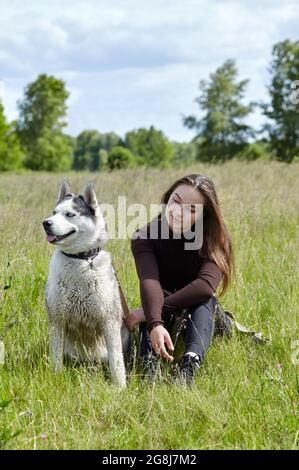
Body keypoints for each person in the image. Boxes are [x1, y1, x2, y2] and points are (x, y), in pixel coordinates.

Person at [126, 173, 234, 385]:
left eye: (192, 210)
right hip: (162, 299)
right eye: (176, 201)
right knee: (151, 310)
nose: (179, 212)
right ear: (168, 198)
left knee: (204, 301)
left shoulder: (215, 238)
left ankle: (189, 367)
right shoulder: (144, 236)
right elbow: (150, 282)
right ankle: (150, 370)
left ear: (203, 215)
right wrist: (154, 321)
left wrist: (152, 313)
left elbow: (204, 286)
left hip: (199, 305)